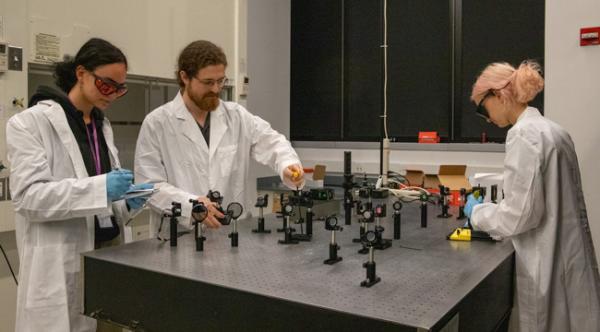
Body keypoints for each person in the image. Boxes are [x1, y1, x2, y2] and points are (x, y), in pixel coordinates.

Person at [7, 38, 151, 332]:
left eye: (120, 88)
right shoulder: (30, 123)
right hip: (61, 263)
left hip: (107, 258)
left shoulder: (101, 125)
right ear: (82, 73)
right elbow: (28, 197)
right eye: (106, 84)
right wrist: (100, 188)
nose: (112, 95)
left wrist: (124, 204)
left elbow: (99, 207)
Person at [465, 60, 600, 331]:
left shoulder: (523, 135)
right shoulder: (555, 131)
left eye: (483, 109)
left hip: (546, 263)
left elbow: (519, 216)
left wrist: (478, 213)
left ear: (499, 94)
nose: (488, 118)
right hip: (571, 259)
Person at [135, 40, 304, 235]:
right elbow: (148, 186)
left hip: (230, 233)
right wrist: (191, 205)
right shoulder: (157, 123)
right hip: (179, 235)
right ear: (185, 77)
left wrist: (287, 165)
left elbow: (273, 143)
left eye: (221, 81)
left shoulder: (236, 117)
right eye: (208, 82)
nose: (216, 89)